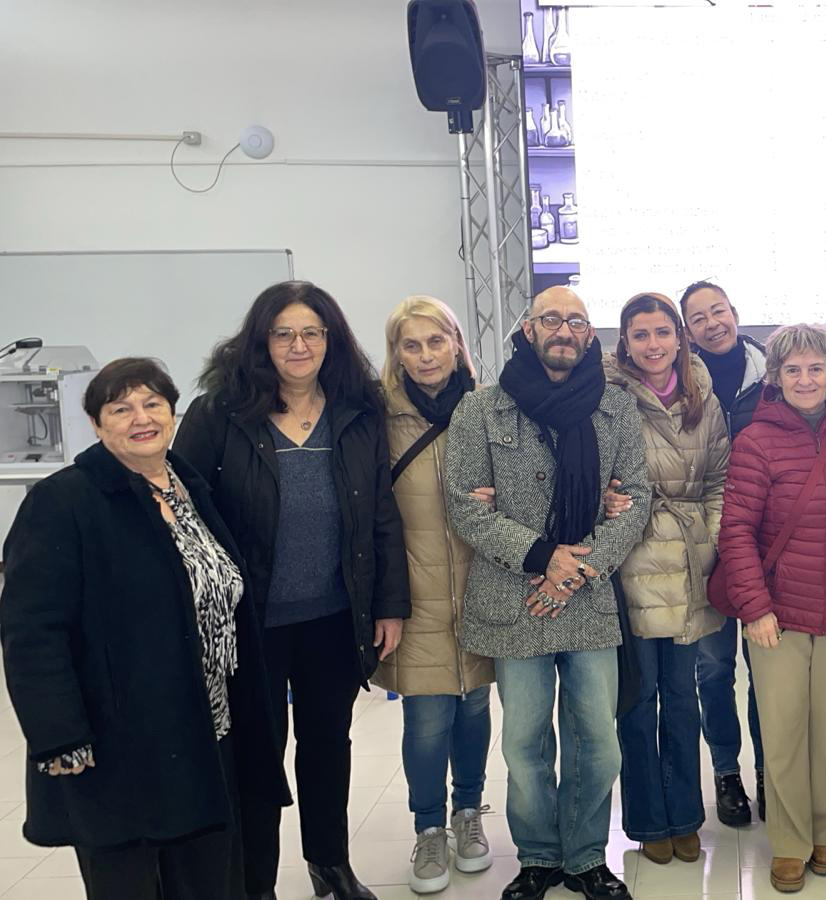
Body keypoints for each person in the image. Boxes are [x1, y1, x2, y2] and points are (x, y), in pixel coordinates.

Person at [0, 358, 291, 900]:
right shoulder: (63, 501)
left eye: (153, 403)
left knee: (212, 880)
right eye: (121, 408)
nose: (141, 418)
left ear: (172, 413)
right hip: (119, 748)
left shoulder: (189, 488)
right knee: (129, 882)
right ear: (96, 424)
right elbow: (32, 631)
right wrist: (58, 733)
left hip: (206, 735)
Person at [175, 281, 410, 900]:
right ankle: (256, 882)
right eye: (283, 333)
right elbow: (185, 513)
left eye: (311, 332)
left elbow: (381, 513)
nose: (298, 345)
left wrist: (389, 605)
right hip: (250, 621)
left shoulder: (357, 411)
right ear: (261, 340)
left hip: (335, 614)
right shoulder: (218, 413)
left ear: (330, 339)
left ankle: (329, 863)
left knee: (328, 745)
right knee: (258, 752)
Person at [444, 286, 651, 900]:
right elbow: (465, 505)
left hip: (587, 597)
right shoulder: (481, 410)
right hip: (516, 599)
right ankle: (537, 856)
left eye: (577, 322)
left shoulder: (616, 408)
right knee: (524, 743)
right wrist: (543, 558)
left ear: (590, 336)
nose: (565, 330)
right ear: (528, 330)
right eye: (552, 319)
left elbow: (636, 499)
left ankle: (585, 857)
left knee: (599, 742)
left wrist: (575, 570)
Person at [709, 323, 826, 893]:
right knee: (783, 734)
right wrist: (755, 608)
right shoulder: (756, 440)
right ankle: (790, 842)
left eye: (815, 368)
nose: (805, 379)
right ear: (775, 377)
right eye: (792, 370)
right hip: (776, 616)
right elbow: (736, 532)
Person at [372, 296, 496, 894]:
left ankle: (468, 812)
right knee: (426, 720)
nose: (426, 356)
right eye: (412, 345)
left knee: (473, 707)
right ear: (396, 354)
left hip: (481, 590)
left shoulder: (489, 409)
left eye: (436, 341)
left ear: (456, 344)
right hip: (413, 595)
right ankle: (428, 828)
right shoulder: (377, 420)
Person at [605, 292, 730, 865]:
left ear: (679, 337)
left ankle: (684, 815)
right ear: (625, 343)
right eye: (641, 335)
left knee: (682, 698)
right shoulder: (607, 398)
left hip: (688, 565)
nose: (653, 345)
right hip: (630, 561)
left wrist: (709, 543)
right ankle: (648, 820)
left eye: (662, 332)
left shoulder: (703, 394)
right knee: (638, 698)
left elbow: (719, 480)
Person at [680, 279, 768, 826]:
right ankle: (726, 773)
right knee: (713, 670)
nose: (712, 323)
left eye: (718, 311)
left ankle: (769, 771)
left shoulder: (772, 374)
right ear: (688, 332)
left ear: (734, 312)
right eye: (698, 318)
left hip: (767, 545)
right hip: (706, 547)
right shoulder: (681, 384)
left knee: (767, 668)